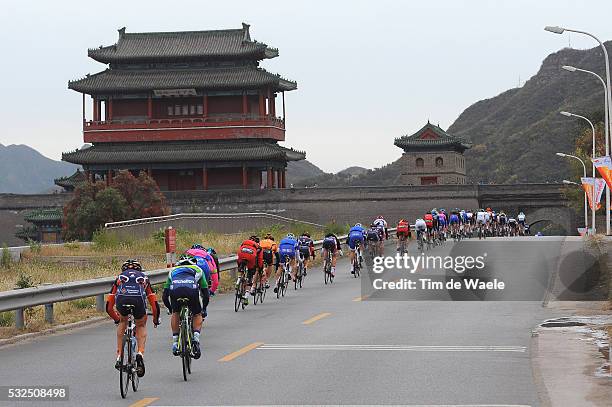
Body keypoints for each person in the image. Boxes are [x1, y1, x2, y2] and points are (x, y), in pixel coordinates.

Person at [106, 259, 160, 376]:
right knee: (140, 325)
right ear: (139, 269)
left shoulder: (119, 278)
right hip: (138, 300)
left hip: (122, 299)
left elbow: (108, 307)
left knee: (123, 322)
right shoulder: (144, 278)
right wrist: (155, 319)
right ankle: (140, 353)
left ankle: (119, 356)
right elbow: (154, 305)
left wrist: (117, 319)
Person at [162, 254, 209, 359]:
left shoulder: (173, 271)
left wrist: (171, 309)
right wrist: (204, 309)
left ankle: (175, 343)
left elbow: (165, 296)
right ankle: (196, 340)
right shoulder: (198, 270)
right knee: (197, 314)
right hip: (191, 291)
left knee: (176, 313)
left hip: (176, 292)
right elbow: (205, 293)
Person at [237, 236, 263, 302]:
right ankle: (246, 296)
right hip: (251, 255)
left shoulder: (244, 242)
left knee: (241, 265)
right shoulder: (258, 246)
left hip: (241, 253)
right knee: (250, 275)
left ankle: (238, 280)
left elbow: (239, 251)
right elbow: (259, 259)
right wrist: (260, 268)